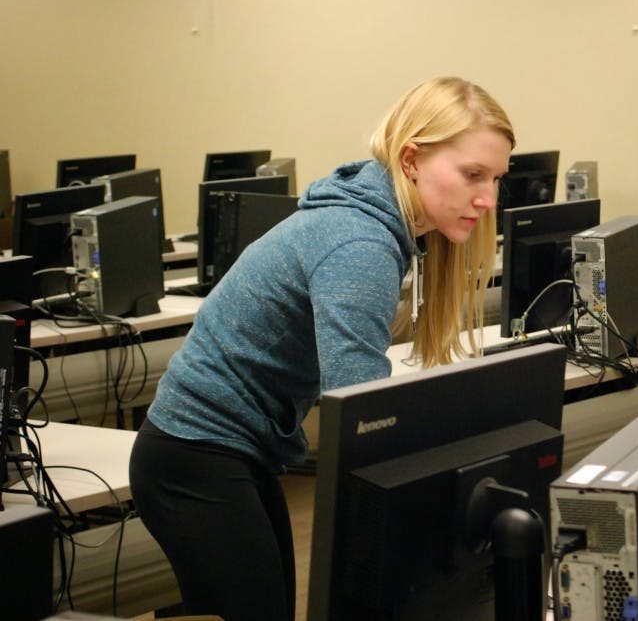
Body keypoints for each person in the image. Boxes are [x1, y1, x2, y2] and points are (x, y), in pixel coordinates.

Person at [128, 76, 515, 621]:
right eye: (473, 174)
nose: (488, 198)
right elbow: (358, 411)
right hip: (193, 454)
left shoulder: (384, 226)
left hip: (237, 449)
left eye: (496, 178)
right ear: (410, 160)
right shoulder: (361, 243)